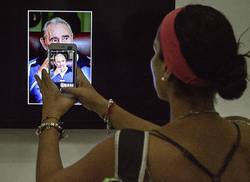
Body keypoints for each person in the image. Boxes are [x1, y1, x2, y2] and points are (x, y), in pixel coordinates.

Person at [35, 4, 250, 182]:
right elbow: (173, 139)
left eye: (156, 52)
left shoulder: (127, 150)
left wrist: (51, 116)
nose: (151, 60)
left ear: (167, 68)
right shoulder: (244, 131)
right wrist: (101, 105)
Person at [29, 17, 91, 103]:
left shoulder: (90, 66)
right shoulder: (29, 68)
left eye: (65, 38)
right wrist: (40, 75)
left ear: (72, 39)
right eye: (54, 39)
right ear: (44, 43)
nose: (61, 44)